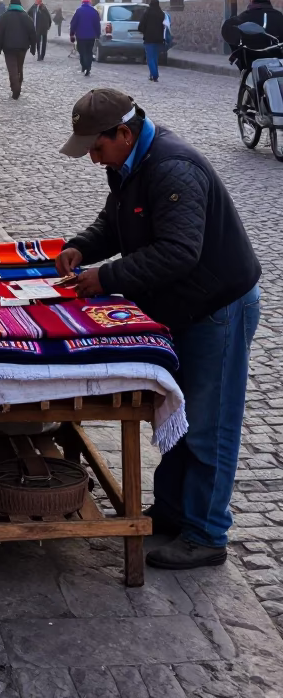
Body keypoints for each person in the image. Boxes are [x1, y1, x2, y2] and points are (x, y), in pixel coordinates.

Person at [56, 87, 261, 571]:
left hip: (218, 306)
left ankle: (208, 534)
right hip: (186, 306)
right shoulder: (128, 163)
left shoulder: (172, 168)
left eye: (97, 147)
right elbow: (116, 222)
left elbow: (178, 252)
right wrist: (82, 247)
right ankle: (171, 513)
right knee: (180, 415)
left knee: (210, 425)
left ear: (123, 133)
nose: (93, 158)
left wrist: (104, 278)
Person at [221, 0, 283, 68]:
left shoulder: (246, 16)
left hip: (251, 59)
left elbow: (227, 29)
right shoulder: (278, 16)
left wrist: (236, 46)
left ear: (253, 0)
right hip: (274, 60)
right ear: (268, 0)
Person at [0, 0, 36, 99]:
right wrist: (33, 47)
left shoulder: (4, 17)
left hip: (8, 48)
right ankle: (18, 86)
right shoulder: (26, 17)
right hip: (22, 47)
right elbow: (32, 33)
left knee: (12, 69)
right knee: (19, 67)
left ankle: (15, 88)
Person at [69, 0, 101, 76]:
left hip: (81, 36)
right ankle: (88, 67)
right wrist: (98, 34)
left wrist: (72, 34)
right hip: (91, 36)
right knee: (89, 52)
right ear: (90, 2)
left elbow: (73, 24)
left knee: (82, 52)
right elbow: (97, 24)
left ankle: (84, 66)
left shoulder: (79, 11)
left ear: (82, 2)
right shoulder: (94, 11)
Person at [138, 0, 167, 82]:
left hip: (149, 39)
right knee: (155, 58)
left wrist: (144, 32)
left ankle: (155, 75)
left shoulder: (147, 13)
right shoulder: (162, 14)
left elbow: (141, 26)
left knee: (150, 58)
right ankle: (152, 74)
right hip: (159, 40)